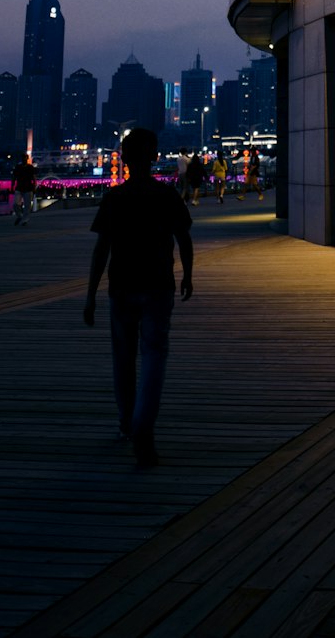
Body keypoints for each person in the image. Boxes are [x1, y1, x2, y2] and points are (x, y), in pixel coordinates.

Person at [84, 127, 193, 468]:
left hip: (121, 287)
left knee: (123, 357)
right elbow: (184, 238)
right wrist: (188, 274)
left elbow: (101, 249)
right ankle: (143, 426)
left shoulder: (115, 198)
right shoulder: (167, 196)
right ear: (155, 157)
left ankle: (126, 423)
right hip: (158, 284)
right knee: (155, 356)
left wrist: (90, 295)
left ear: (124, 159)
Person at [12, 155, 37, 225]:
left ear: (27, 159)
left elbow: (34, 178)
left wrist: (34, 187)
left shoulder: (30, 167)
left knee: (27, 206)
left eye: (25, 158)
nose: (24, 159)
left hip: (28, 188)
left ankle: (25, 220)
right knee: (16, 204)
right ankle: (20, 216)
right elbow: (14, 177)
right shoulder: (18, 167)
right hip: (19, 187)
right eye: (23, 158)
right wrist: (12, 185)